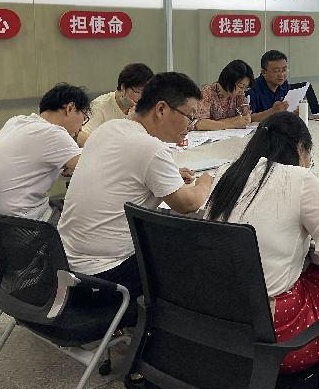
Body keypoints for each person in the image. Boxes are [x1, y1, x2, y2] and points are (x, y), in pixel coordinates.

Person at [204, 112, 319, 389]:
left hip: (218, 324)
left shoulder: (227, 174)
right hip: (273, 337)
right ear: (301, 149)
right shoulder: (300, 180)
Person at [58, 72, 214, 303]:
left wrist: (168, 177)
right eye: (189, 116)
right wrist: (206, 180)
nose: (190, 126)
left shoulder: (109, 129)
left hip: (62, 263)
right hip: (103, 276)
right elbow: (188, 204)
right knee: (193, 249)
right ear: (161, 109)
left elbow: (125, 172)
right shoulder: (151, 148)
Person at [0, 83, 87, 222]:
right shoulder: (53, 133)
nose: (81, 127)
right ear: (70, 108)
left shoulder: (16, 122)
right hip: (24, 222)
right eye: (84, 118)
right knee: (90, 217)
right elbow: (94, 168)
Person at [77, 63, 154, 146]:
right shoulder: (100, 105)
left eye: (146, 93)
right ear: (123, 87)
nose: (142, 97)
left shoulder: (143, 108)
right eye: (138, 92)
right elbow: (80, 136)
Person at [195, 59, 254, 130]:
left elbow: (247, 118)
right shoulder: (207, 93)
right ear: (229, 81)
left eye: (246, 88)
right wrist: (232, 123)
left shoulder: (239, 95)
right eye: (241, 87)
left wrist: (217, 123)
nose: (242, 92)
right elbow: (200, 123)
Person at [248, 49, 292, 122]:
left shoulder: (284, 84)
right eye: (276, 71)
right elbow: (248, 118)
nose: (281, 75)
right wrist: (273, 111)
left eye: (284, 70)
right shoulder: (252, 88)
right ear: (264, 72)